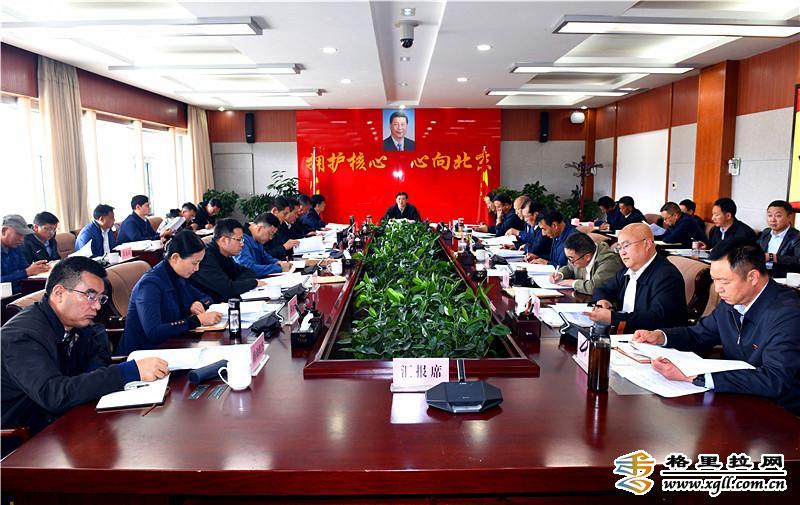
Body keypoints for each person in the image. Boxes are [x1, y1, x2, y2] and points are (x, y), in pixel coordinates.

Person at [1, 257, 168, 445]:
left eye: (100, 298)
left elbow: (97, 358)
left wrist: (98, 373)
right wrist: (127, 372)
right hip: (24, 439)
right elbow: (54, 395)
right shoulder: (21, 336)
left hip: (69, 421)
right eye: (90, 296)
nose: (97, 306)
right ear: (59, 293)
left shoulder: (77, 323)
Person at [633, 240, 800, 415]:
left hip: (779, 413)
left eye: (724, 281)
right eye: (714, 280)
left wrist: (696, 377)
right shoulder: (733, 301)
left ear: (752, 277)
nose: (718, 289)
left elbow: (774, 379)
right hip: (736, 400)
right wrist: (660, 336)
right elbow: (699, 335)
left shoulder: (788, 314)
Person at [116, 231, 222, 355]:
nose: (197, 268)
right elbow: (154, 333)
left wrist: (200, 303)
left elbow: (208, 298)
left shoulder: (178, 276)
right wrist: (196, 320)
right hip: (144, 355)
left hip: (173, 344)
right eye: (194, 263)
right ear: (175, 258)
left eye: (199, 263)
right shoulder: (150, 285)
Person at [588, 223, 687, 332]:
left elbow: (658, 318)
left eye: (626, 246)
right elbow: (603, 289)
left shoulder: (667, 276)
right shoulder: (628, 270)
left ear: (647, 244)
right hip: (624, 333)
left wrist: (613, 318)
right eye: (619, 248)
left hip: (649, 338)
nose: (622, 252)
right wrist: (603, 300)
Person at [189, 218, 262, 303]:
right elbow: (228, 290)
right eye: (239, 240)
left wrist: (235, 284)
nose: (242, 244)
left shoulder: (225, 255)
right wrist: (253, 283)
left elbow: (249, 272)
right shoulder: (205, 258)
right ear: (224, 240)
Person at [550, 232, 624, 296]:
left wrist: (573, 283)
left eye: (571, 258)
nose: (570, 261)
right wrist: (560, 274)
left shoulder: (609, 261)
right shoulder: (582, 255)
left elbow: (594, 288)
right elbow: (570, 268)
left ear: (587, 257)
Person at [2, 214, 50, 294]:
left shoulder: (16, 246)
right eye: (19, 234)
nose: (22, 239)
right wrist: (26, 272)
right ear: (4, 231)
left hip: (22, 290)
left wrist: (38, 268)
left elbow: (25, 267)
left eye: (23, 235)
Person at [235, 213, 291, 277]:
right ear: (260, 228)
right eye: (270, 233)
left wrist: (279, 263)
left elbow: (266, 258)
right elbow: (248, 269)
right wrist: (279, 268)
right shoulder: (241, 240)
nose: (270, 238)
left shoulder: (256, 239)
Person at [757, 200, 800, 278]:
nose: (772, 220)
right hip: (762, 274)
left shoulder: (797, 237)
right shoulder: (766, 232)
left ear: (789, 217)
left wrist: (772, 257)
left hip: (782, 278)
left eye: (778, 216)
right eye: (770, 215)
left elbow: (798, 261)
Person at [264, 196, 301, 261]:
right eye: (285, 214)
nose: (285, 218)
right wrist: (284, 247)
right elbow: (263, 256)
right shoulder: (264, 226)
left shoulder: (279, 225)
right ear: (275, 211)